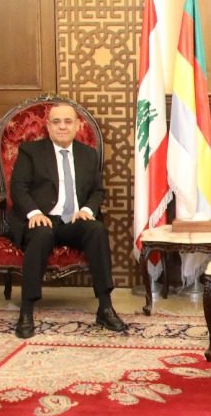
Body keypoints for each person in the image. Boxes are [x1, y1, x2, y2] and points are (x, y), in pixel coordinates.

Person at [9, 101, 126, 338]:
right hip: (42, 220)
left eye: (67, 121)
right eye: (56, 122)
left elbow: (97, 191)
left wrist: (87, 210)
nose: (62, 126)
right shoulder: (31, 151)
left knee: (96, 230)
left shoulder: (88, 154)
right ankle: (26, 311)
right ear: (48, 126)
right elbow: (18, 188)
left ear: (77, 125)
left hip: (73, 220)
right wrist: (34, 213)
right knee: (42, 234)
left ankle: (105, 307)